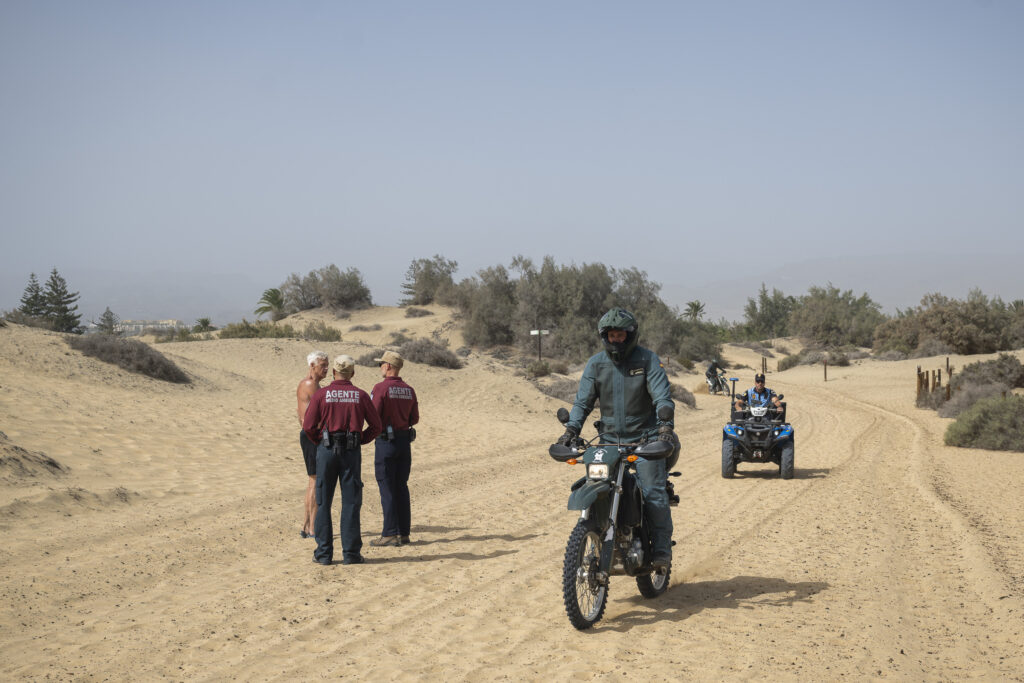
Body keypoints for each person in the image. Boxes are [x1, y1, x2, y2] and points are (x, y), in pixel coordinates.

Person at [557, 308, 677, 569]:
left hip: (646, 439)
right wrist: (571, 431)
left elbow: (662, 398)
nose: (616, 340)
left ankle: (661, 550)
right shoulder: (596, 364)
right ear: (605, 336)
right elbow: (582, 403)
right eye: (611, 335)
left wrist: (665, 428)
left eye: (620, 335)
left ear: (630, 335)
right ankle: (600, 531)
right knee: (596, 482)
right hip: (609, 440)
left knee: (653, 491)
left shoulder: (647, 360)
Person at [302, 355, 382, 565]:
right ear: (352, 373)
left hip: (327, 450)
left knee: (323, 502)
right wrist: (360, 439)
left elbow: (308, 426)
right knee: (351, 502)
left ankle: (324, 554)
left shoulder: (321, 395)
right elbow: (376, 426)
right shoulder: (360, 395)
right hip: (350, 452)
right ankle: (351, 554)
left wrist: (320, 441)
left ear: (334, 372)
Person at [368, 350, 420, 548]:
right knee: (401, 486)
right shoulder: (409, 390)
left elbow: (373, 414)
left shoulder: (381, 388)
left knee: (387, 486)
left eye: (381, 364)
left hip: (386, 442)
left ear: (388, 366)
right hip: (404, 441)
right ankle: (404, 533)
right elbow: (415, 418)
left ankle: (390, 533)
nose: (380, 367)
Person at [296, 350, 329, 539]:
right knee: (316, 481)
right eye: (322, 365)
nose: (326, 369)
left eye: (327, 365)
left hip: (310, 434)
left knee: (313, 480)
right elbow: (322, 412)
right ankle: (313, 528)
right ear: (312, 366)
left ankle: (307, 525)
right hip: (312, 436)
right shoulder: (310, 384)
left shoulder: (312, 385)